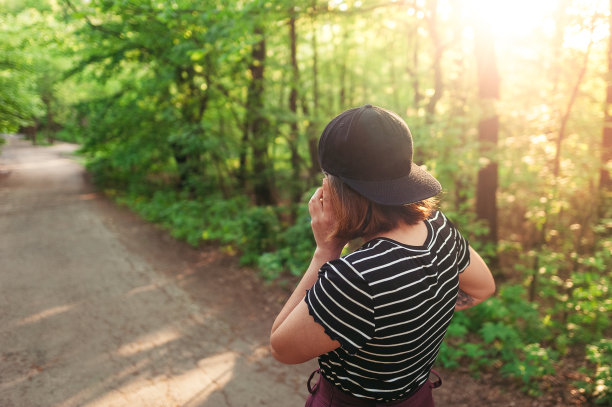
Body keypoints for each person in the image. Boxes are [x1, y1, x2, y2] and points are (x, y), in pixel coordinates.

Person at [270, 104, 495, 406]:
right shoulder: (440, 229)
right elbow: (483, 288)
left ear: (338, 188)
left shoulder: (355, 278)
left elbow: (281, 348)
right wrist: (414, 314)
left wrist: (325, 251)